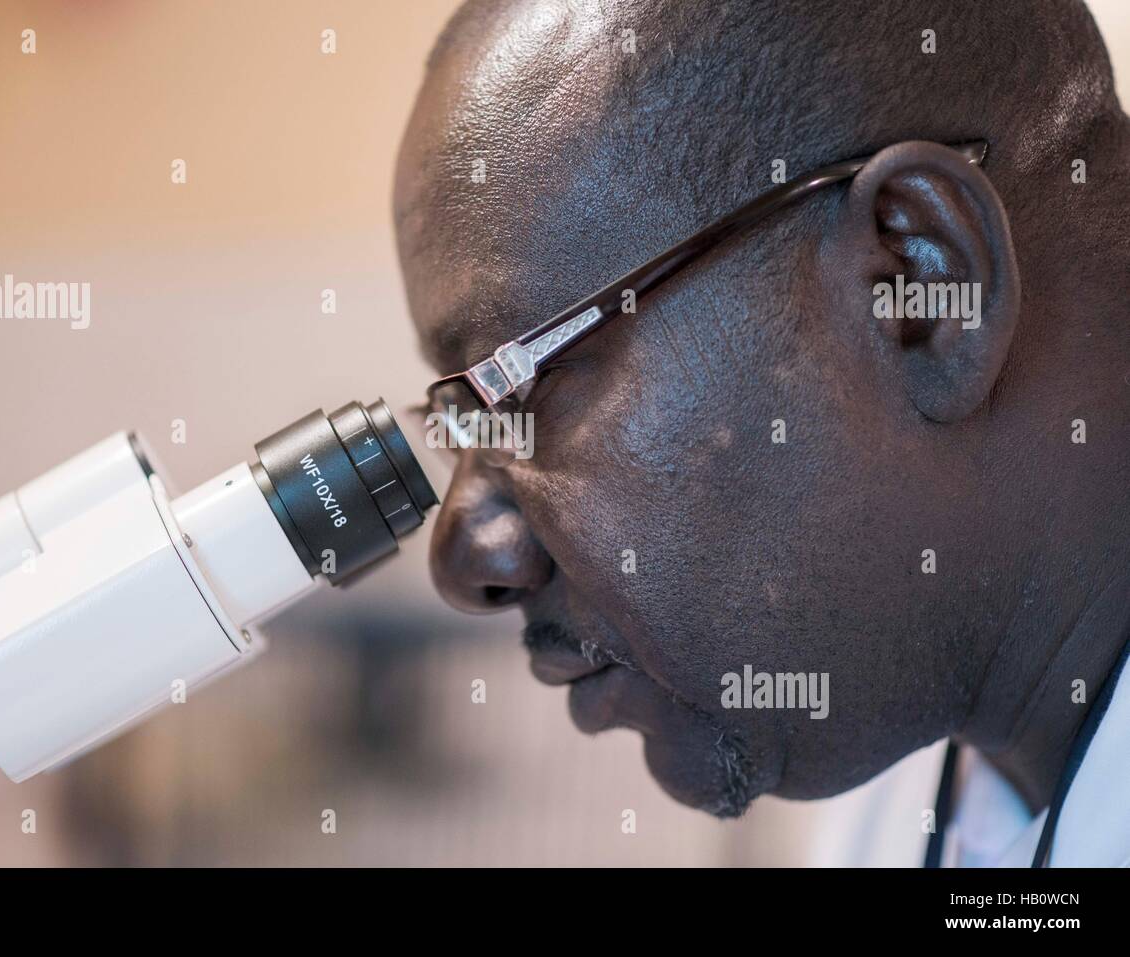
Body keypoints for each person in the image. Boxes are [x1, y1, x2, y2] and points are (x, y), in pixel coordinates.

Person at [393, 0, 1130, 865]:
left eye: (518, 389)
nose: (464, 557)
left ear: (919, 286)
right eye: (462, 421)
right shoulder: (891, 821)